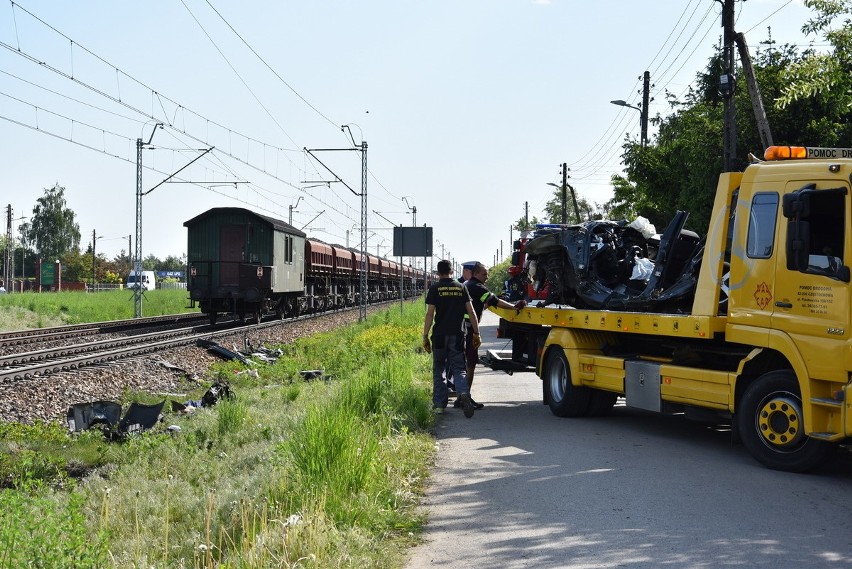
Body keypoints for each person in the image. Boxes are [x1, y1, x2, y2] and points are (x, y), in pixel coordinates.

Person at [458, 262, 526, 409]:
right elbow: (496, 301)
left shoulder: (467, 284)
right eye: (484, 274)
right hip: (469, 330)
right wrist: (514, 307)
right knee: (470, 364)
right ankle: (466, 399)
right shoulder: (477, 287)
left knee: (462, 364)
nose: (487, 277)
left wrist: (489, 303)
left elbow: (482, 303)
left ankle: (460, 398)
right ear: (476, 273)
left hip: (460, 328)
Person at [423, 259, 481, 418]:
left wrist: (425, 336)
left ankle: (440, 406)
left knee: (439, 369)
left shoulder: (435, 288)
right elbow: (471, 312)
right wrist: (476, 333)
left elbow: (430, 314)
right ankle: (464, 394)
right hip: (457, 335)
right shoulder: (461, 287)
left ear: (438, 272)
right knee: (459, 368)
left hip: (439, 336)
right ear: (451, 271)